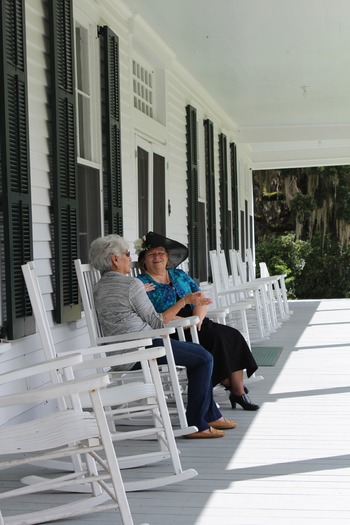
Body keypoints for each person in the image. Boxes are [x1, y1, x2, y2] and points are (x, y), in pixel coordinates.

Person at [89, 233, 237, 439]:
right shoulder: (131, 285)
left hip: (118, 351)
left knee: (199, 354)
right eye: (126, 254)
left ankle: (209, 414)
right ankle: (197, 422)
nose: (128, 258)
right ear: (115, 259)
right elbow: (158, 321)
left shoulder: (98, 287)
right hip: (141, 349)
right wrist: (184, 301)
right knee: (204, 358)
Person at [136, 231, 260, 411]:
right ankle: (236, 391)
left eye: (161, 253)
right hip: (171, 327)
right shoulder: (140, 284)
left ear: (167, 256)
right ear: (144, 260)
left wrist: (197, 319)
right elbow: (149, 314)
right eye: (152, 254)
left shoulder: (178, 274)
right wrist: (185, 322)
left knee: (231, 335)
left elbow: (200, 297)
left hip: (196, 321)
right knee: (217, 339)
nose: (157, 257)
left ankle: (236, 390)